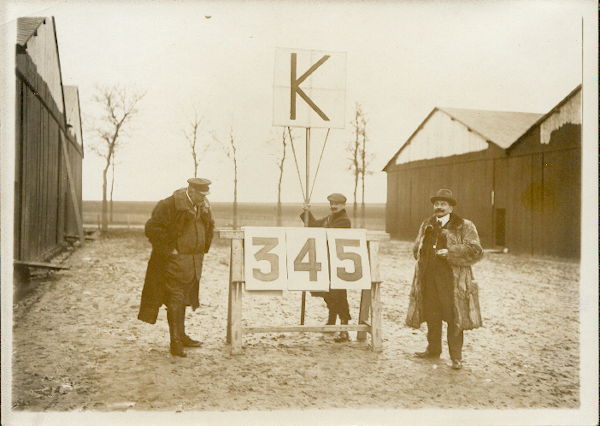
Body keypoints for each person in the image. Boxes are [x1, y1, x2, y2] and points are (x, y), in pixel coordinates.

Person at [405, 188, 483, 370]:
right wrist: (422, 256)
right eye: (436, 203)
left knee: (454, 317)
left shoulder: (464, 225)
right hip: (428, 277)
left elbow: (476, 250)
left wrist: (451, 252)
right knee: (432, 314)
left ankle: (456, 357)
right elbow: (416, 248)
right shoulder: (427, 224)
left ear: (450, 207)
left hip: (452, 280)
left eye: (443, 204)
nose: (438, 207)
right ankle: (433, 350)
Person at [138, 178, 215, 357]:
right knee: (175, 298)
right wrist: (169, 250)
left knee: (184, 298)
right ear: (191, 190)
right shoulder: (169, 205)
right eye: (200, 195)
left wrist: (204, 247)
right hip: (174, 261)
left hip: (194, 261)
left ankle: (181, 335)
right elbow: (152, 228)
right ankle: (175, 342)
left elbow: (209, 226)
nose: (203, 199)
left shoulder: (203, 205)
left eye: (205, 195)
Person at [300, 193, 352, 343]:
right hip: (327, 262)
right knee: (327, 293)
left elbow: (324, 234)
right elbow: (315, 225)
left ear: (343, 205)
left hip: (338, 262)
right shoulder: (330, 218)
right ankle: (331, 322)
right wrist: (307, 212)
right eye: (332, 204)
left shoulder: (344, 221)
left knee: (339, 295)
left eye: (337, 204)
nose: (333, 206)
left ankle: (344, 329)